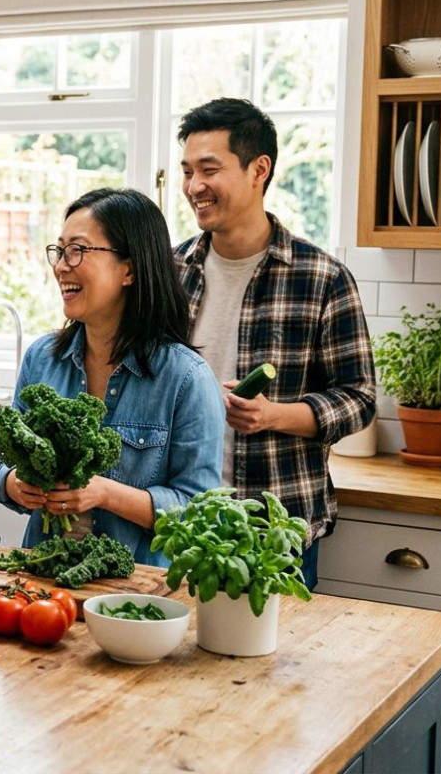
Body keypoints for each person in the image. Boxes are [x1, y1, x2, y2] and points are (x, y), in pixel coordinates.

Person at [175, 97, 375, 588]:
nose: (194, 187)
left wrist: (272, 416)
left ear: (258, 169)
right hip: (182, 520)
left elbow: (360, 399)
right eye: (187, 171)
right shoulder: (170, 271)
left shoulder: (322, 278)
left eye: (209, 169)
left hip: (273, 530)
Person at [0, 188, 224, 565]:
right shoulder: (41, 359)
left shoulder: (187, 379)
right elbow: (5, 469)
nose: (61, 266)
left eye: (78, 250)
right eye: (59, 250)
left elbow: (199, 514)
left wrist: (103, 493)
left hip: (137, 599)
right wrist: (14, 484)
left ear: (129, 269)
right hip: (42, 585)